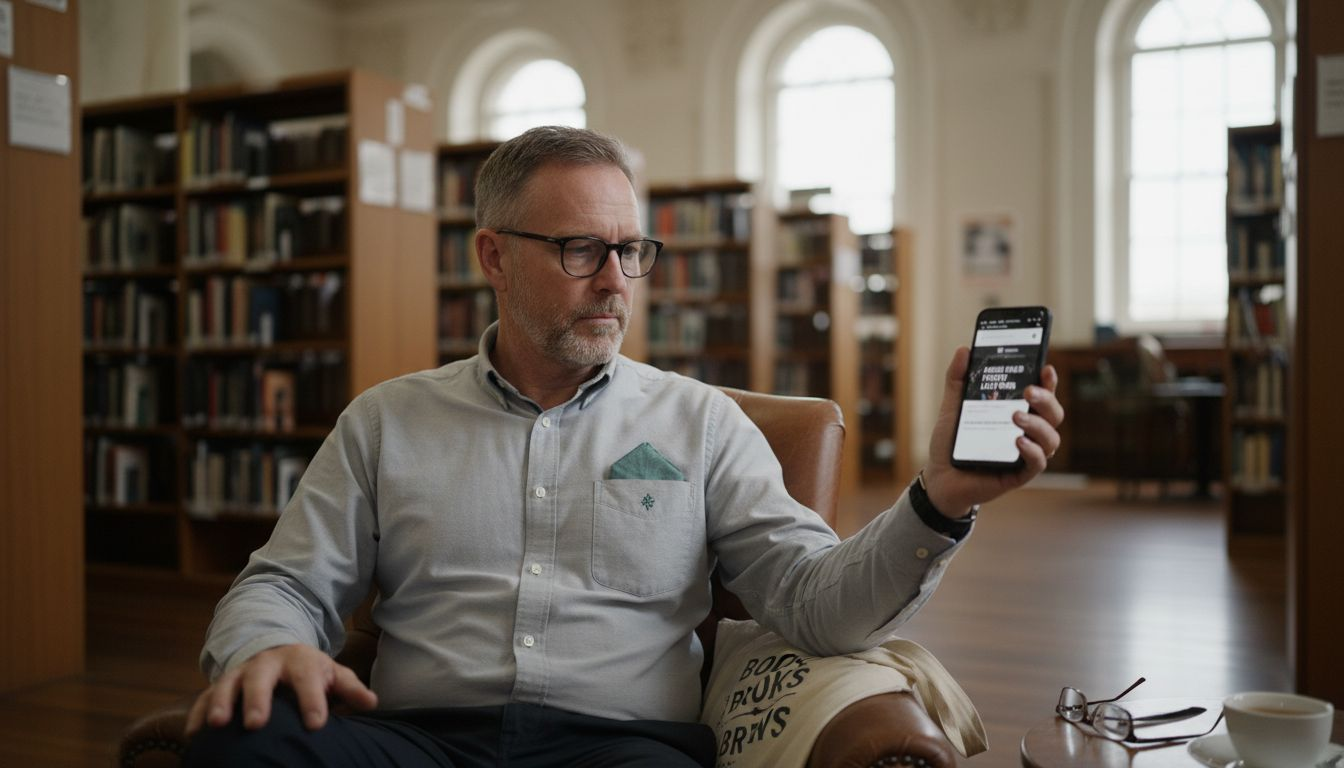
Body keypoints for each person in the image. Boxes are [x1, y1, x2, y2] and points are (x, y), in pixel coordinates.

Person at [184, 126, 1064, 768]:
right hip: (419, 740)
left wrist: (940, 498)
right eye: (579, 249)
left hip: (621, 750)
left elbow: (810, 600)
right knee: (236, 747)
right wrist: (267, 645)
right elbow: (283, 584)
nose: (614, 280)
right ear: (493, 255)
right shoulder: (388, 421)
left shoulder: (703, 424)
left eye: (629, 249)